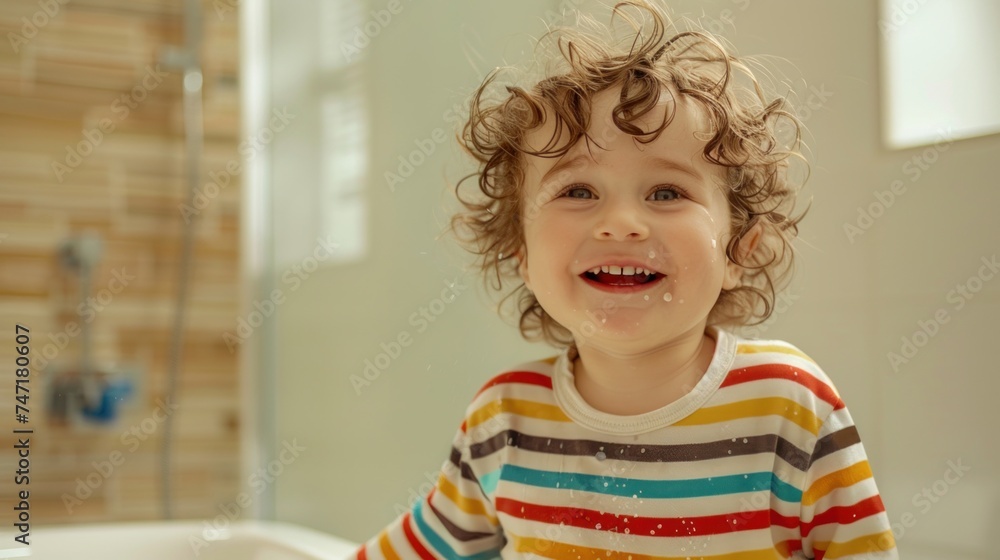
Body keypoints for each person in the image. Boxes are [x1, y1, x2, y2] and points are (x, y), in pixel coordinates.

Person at [353, 1, 897, 557]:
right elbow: (417, 549)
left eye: (666, 193)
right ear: (521, 250)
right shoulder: (505, 418)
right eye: (577, 191)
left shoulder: (787, 404)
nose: (619, 224)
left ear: (738, 249)